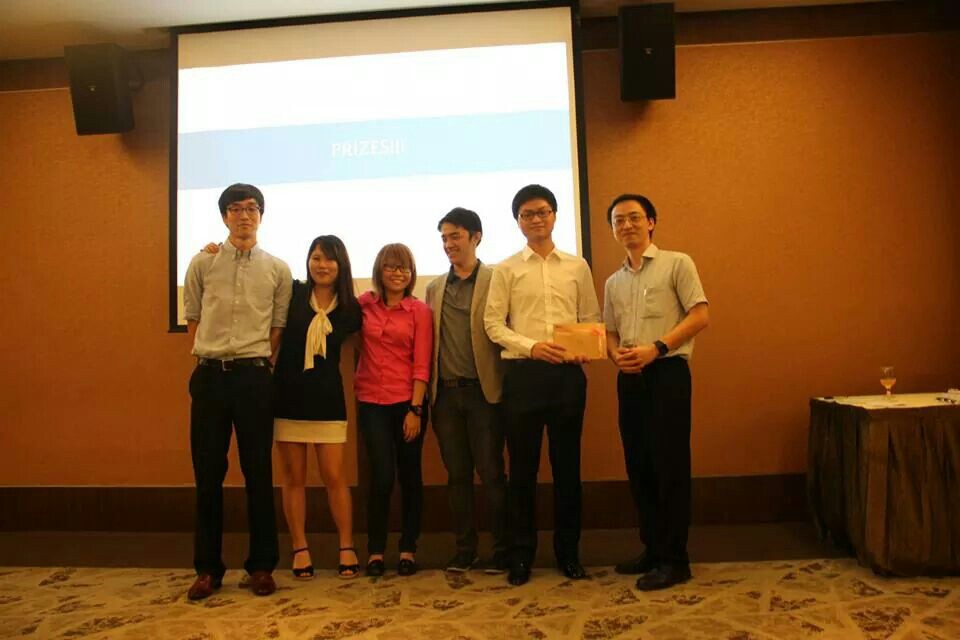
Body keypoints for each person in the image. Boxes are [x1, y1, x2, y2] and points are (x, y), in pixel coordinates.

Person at [484, 184, 601, 586]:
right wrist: (532, 347)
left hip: (568, 377)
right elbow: (493, 324)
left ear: (554, 216)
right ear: (518, 222)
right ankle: (521, 555)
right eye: (527, 214)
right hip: (524, 376)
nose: (536, 219)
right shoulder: (506, 269)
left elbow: (590, 317)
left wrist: (586, 347)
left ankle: (569, 553)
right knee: (523, 470)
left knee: (568, 468)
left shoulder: (577, 266)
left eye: (543, 212)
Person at [182, 183, 292, 600]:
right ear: (224, 216)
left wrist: (253, 359)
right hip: (210, 377)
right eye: (235, 208)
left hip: (253, 379)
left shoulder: (277, 269)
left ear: (261, 215)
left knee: (258, 473)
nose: (244, 215)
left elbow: (277, 327)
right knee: (207, 474)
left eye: (251, 208)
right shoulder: (202, 263)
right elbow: (193, 317)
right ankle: (207, 570)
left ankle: (262, 566)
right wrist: (211, 353)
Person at [603, 193, 709, 591]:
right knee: (639, 465)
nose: (626, 225)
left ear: (650, 222)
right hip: (630, 378)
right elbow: (610, 331)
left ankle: (676, 559)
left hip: (667, 373)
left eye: (634, 217)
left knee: (670, 465)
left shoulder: (677, 263)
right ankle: (653, 548)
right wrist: (616, 354)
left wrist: (658, 348)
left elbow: (700, 315)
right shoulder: (613, 282)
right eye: (618, 220)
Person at [272, 236, 362, 580]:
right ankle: (300, 547)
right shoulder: (293, 294)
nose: (322, 265)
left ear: (341, 265)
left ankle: (346, 546)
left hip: (328, 400)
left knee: (335, 477)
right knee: (293, 477)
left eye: (329, 259)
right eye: (316, 258)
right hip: (288, 395)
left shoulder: (351, 308)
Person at [425, 208, 507, 574]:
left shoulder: (497, 279)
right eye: (444, 238)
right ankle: (465, 549)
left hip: (483, 393)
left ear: (476, 237)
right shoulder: (434, 288)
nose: (448, 244)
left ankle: (502, 550)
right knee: (457, 476)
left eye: (455, 236)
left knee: (491, 474)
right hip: (445, 396)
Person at [354, 243, 433, 577]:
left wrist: (415, 409)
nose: (398, 273)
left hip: (408, 403)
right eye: (391, 266)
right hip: (371, 402)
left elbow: (422, 362)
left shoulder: (419, 311)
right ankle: (375, 550)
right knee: (382, 476)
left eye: (404, 267)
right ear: (379, 270)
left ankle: (408, 549)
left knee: (410, 475)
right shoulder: (364, 305)